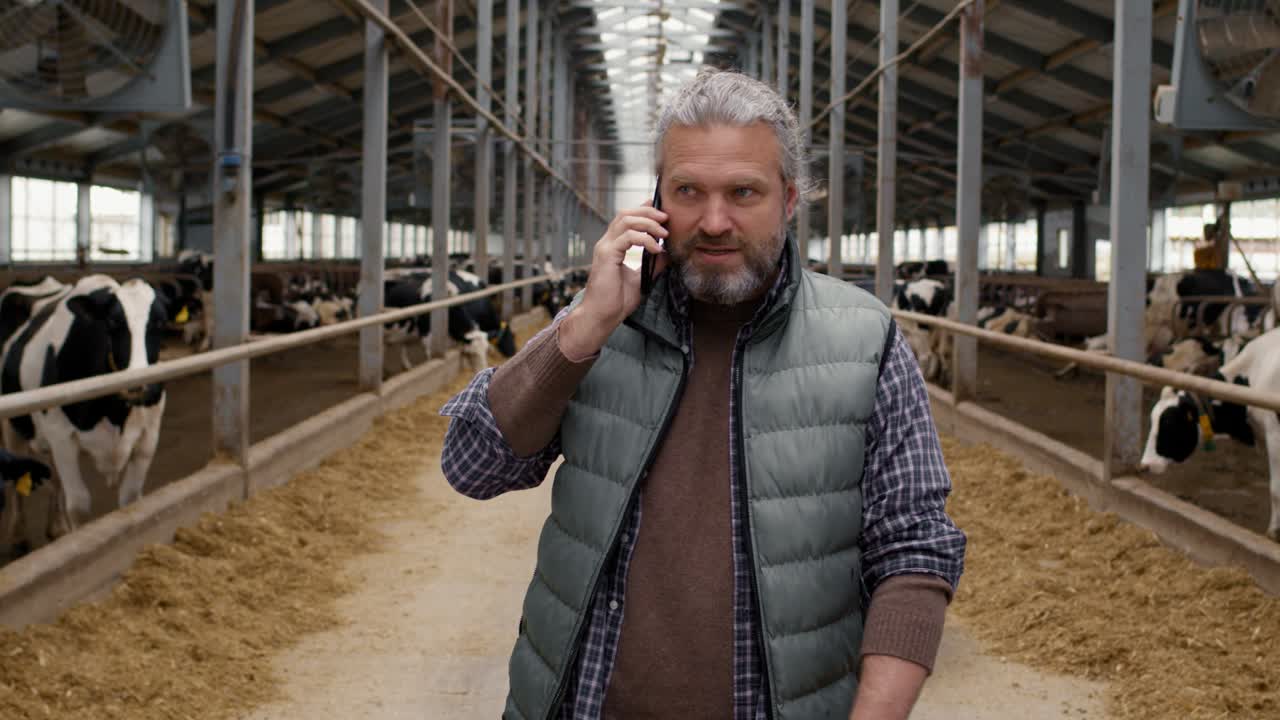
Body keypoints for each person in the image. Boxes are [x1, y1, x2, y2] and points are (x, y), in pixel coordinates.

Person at [440, 67, 966, 720]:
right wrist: (584, 327)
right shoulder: (600, 321)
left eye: (744, 192)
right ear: (658, 199)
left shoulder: (866, 341)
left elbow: (914, 553)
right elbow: (473, 467)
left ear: (790, 199)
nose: (714, 221)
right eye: (689, 191)